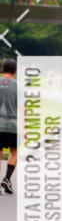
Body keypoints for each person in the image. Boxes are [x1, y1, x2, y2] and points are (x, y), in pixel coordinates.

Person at [0, 57, 18, 194]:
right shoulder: (19, 86)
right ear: (15, 71)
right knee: (15, 152)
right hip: (13, 125)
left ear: (2, 69)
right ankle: (7, 178)